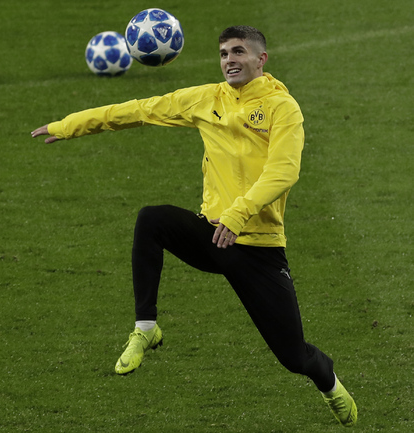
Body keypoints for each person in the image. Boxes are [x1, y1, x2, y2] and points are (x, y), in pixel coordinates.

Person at [31, 25, 357, 427]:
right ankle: (146, 327)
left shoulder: (282, 108)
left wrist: (239, 214)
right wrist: (69, 125)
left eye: (238, 52)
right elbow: (139, 109)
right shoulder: (207, 99)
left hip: (258, 249)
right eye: (223, 54)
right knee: (152, 219)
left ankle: (330, 384)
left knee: (295, 357)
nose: (229, 60)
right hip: (212, 236)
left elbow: (284, 171)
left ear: (261, 59)